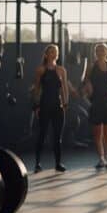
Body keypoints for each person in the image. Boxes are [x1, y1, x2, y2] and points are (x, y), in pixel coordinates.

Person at [33, 44, 69, 173]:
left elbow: (64, 88)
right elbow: (36, 89)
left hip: (57, 106)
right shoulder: (40, 70)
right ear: (46, 54)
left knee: (57, 137)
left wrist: (65, 103)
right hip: (44, 105)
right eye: (51, 51)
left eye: (55, 51)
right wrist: (36, 106)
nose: (53, 53)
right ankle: (37, 163)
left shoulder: (61, 70)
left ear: (57, 54)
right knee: (42, 135)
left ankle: (58, 163)